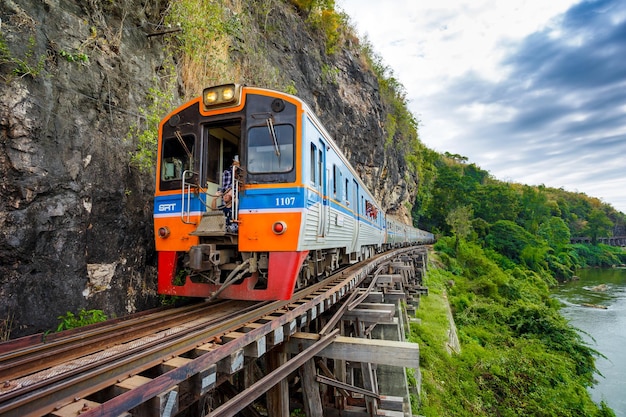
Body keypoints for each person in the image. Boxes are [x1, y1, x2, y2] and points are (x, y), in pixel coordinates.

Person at [218, 156, 238, 233]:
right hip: (230, 194)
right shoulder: (227, 173)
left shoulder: (242, 172)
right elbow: (225, 187)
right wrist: (230, 192)